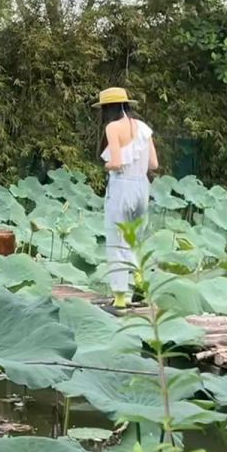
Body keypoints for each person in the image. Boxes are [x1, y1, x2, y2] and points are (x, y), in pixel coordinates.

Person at [95, 87, 158, 309]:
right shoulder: (143, 127)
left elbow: (117, 162)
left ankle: (121, 299)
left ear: (107, 109)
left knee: (116, 240)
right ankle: (136, 279)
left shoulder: (112, 127)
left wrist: (106, 165)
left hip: (122, 187)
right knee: (133, 239)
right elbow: (154, 165)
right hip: (142, 187)